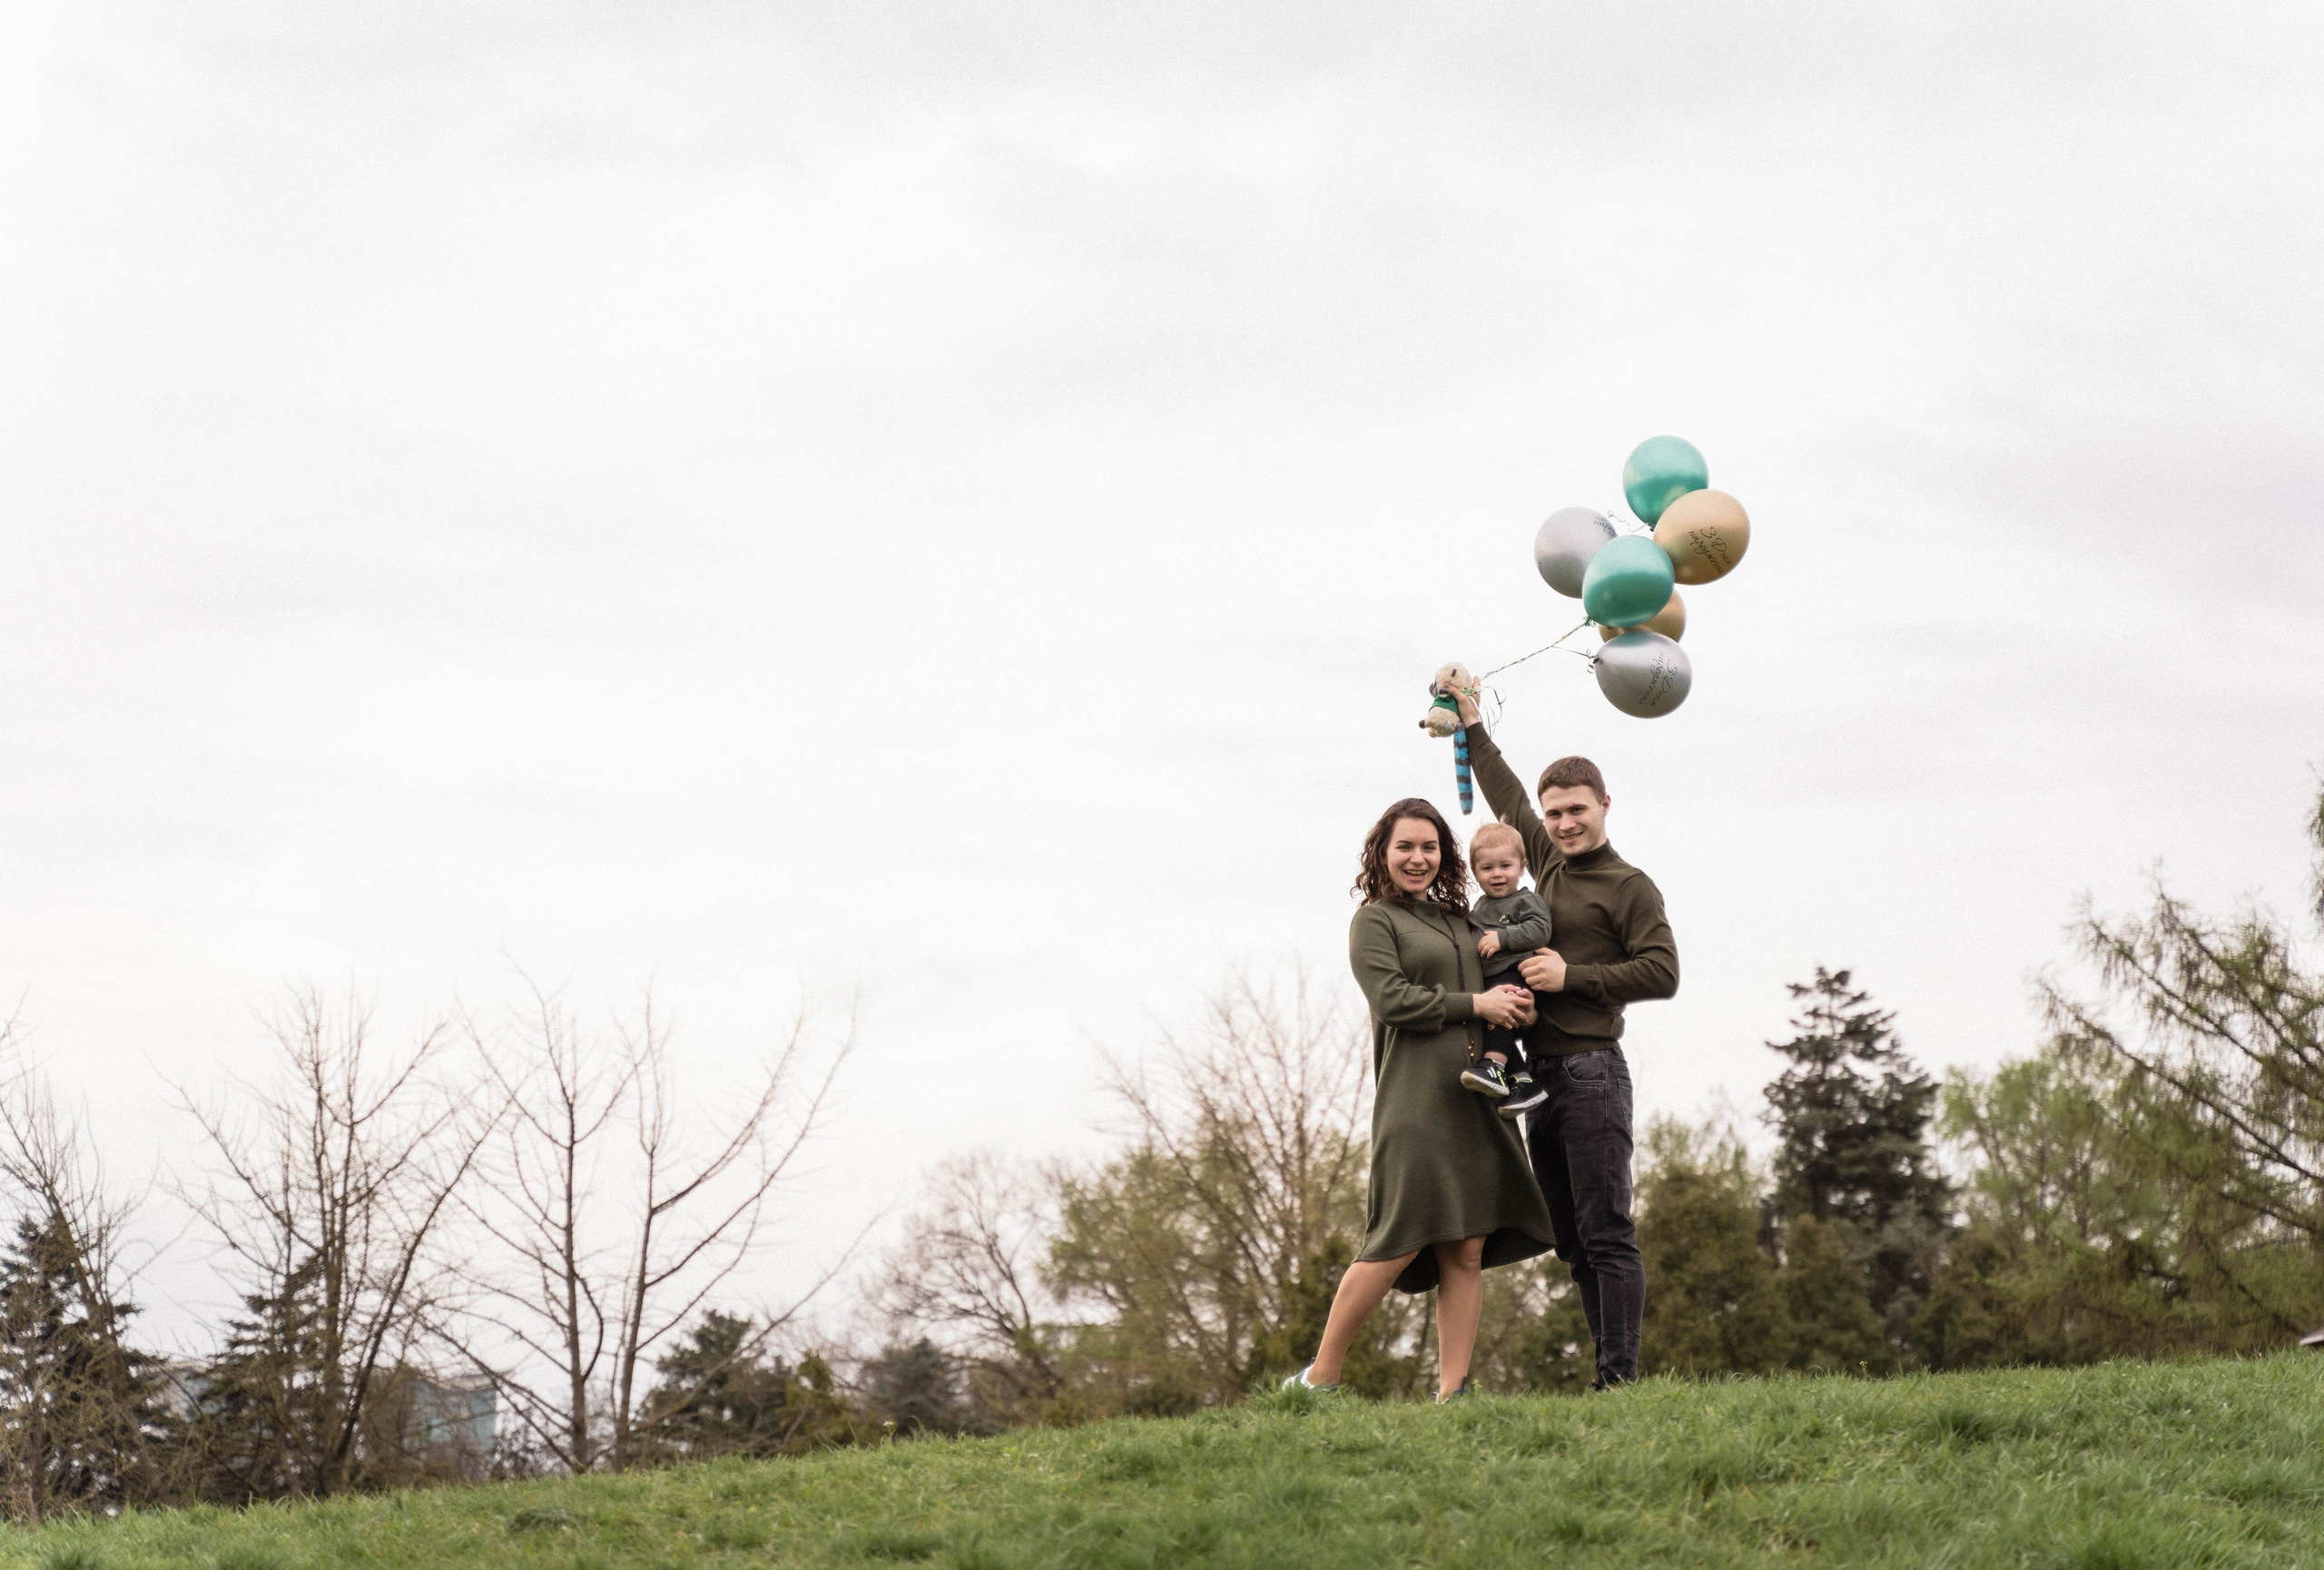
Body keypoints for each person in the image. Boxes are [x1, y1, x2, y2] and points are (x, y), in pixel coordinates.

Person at [1284, 797, 1556, 1401]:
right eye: (1405, 846)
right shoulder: (1374, 922)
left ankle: (1453, 1393)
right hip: (1415, 1104)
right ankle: (1318, 1379)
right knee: (1396, 1239)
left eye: (1429, 847)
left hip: (1477, 1097)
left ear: (1444, 855)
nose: (1417, 857)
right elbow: (1394, 1001)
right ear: (1382, 853)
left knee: (1468, 1246)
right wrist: (1477, 1004)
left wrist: (1517, 1007)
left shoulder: (1462, 920)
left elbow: (1497, 985)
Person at [1450, 684, 1679, 1390]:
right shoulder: (1541, 860)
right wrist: (1471, 723)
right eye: (1554, 813)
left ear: (1604, 805)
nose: (1564, 822)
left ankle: (1619, 1382)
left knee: (1607, 1231)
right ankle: (1607, 1382)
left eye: (1576, 809)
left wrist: (1568, 976)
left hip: (1592, 1072)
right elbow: (1505, 792)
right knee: (1572, 1241)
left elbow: (1662, 970)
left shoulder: (1628, 885)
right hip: (1536, 1080)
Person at [1460, 822, 1553, 1120]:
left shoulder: (1526, 900)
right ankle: (1523, 1081)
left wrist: (1503, 938)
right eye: (1487, 868)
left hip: (1517, 973)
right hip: (1491, 979)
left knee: (1500, 1015)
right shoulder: (1479, 907)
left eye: (1505, 866)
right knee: (1492, 1023)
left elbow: (1541, 929)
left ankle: (1493, 1066)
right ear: (1475, 872)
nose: (1497, 874)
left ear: (1522, 866)